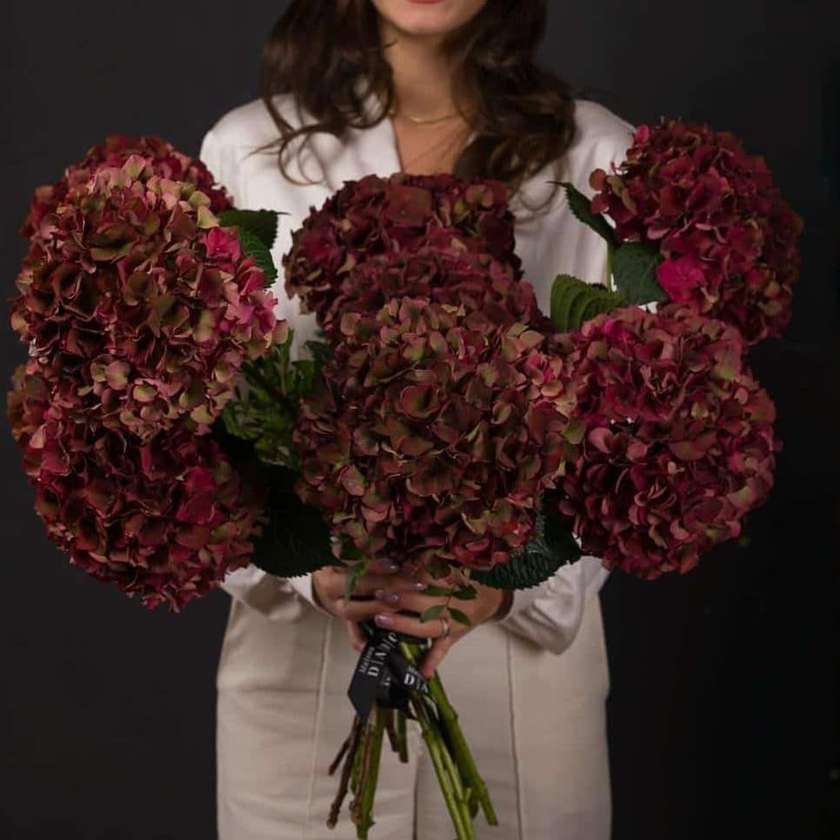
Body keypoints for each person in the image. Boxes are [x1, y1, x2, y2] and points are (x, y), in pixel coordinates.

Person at [199, 1, 634, 837]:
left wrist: (502, 594)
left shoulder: (601, 157)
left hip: (519, 680)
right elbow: (199, 435)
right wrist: (307, 571)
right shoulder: (245, 151)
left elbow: (638, 452)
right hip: (302, 682)